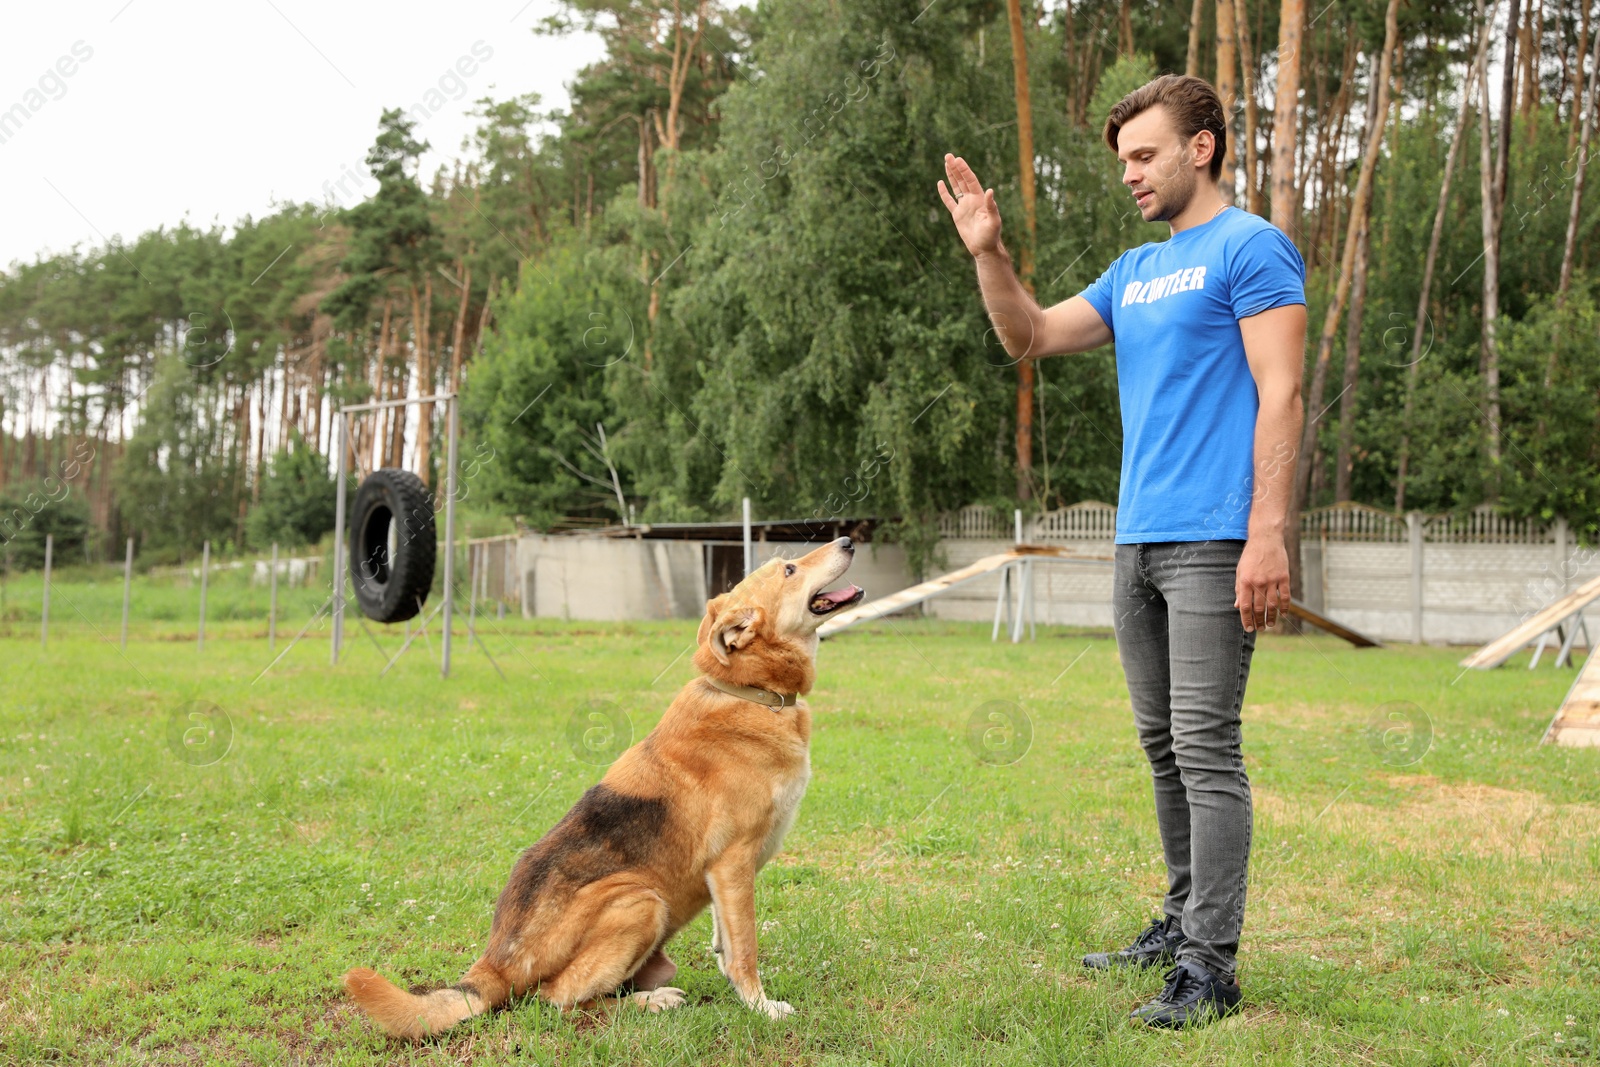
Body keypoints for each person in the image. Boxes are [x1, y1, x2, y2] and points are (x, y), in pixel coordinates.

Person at [938, 73, 1306, 1029]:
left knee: (1206, 746)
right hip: (1136, 539)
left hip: (1214, 537)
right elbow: (1030, 335)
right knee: (1161, 745)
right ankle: (1181, 917)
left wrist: (1266, 531)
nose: (1131, 175)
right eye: (1123, 161)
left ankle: (1210, 966)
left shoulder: (1252, 248)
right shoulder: (1134, 271)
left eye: (1145, 155)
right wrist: (991, 254)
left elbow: (1282, 393)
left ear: (1203, 147)